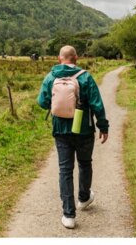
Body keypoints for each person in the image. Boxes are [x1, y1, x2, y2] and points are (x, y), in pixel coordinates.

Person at [36, 45, 109, 229]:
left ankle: (68, 215)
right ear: (76, 58)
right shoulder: (85, 77)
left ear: (59, 59)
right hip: (84, 130)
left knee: (65, 170)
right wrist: (103, 126)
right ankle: (83, 198)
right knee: (85, 163)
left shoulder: (51, 77)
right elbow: (97, 105)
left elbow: (42, 102)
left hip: (61, 130)